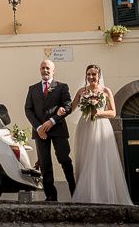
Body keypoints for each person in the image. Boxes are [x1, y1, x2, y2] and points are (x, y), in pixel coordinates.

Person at [57, 64, 133, 205]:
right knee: (87, 159)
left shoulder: (105, 91)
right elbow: (72, 107)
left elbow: (113, 112)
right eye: (89, 74)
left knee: (100, 159)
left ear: (99, 76)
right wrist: (62, 110)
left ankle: (103, 195)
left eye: (94, 74)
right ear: (86, 76)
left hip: (101, 127)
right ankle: (87, 195)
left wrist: (99, 113)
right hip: (85, 127)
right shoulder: (81, 91)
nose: (91, 77)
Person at [24, 59, 76, 201]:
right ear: (39, 70)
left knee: (64, 159)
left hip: (58, 129)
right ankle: (51, 197)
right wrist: (39, 127)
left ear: (53, 70)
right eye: (42, 68)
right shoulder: (32, 89)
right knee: (45, 163)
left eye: (47, 68)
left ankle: (75, 192)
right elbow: (28, 109)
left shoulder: (61, 87)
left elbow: (67, 106)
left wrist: (52, 121)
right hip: (40, 132)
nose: (45, 70)